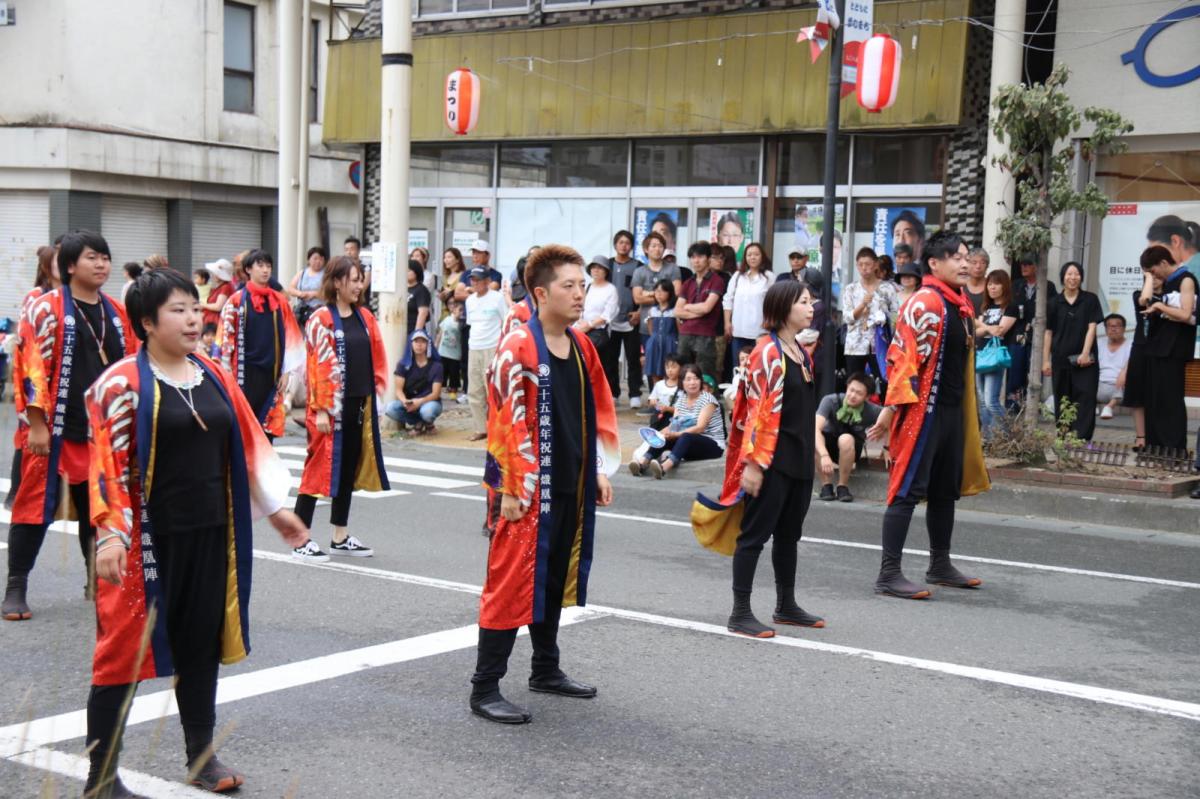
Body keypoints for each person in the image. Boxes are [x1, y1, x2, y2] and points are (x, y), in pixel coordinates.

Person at [82, 268, 308, 797]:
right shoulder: (121, 384)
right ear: (145, 322)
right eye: (177, 310)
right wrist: (111, 533)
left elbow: (248, 442)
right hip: (146, 542)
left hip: (211, 533)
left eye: (193, 307)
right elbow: (106, 466)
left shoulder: (210, 372)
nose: (192, 318)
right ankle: (101, 777)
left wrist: (276, 509)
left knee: (201, 645)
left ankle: (201, 757)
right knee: (123, 654)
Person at [470, 244, 618, 725]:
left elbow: (596, 412)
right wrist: (510, 489)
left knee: (553, 578)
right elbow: (504, 423)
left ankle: (545, 669)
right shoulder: (518, 346)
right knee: (510, 583)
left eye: (583, 286)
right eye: (569, 286)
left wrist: (596, 467)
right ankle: (484, 687)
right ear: (540, 293)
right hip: (526, 491)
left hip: (568, 485)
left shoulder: (581, 346)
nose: (580, 295)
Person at [3, 230, 138, 622]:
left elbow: (130, 366)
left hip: (101, 429)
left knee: (98, 508)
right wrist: (38, 423)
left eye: (105, 258)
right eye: (92, 258)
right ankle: (16, 587)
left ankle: (97, 582)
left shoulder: (116, 310)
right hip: (55, 427)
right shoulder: (44, 307)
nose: (101, 265)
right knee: (33, 509)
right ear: (70, 265)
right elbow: (29, 368)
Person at [692, 279, 823, 638]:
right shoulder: (768, 353)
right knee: (753, 536)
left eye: (811, 302)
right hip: (771, 461)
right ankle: (741, 612)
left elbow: (804, 411)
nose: (811, 308)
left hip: (798, 460)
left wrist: (818, 452)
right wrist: (753, 463)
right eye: (804, 302)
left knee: (788, 536)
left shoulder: (800, 351)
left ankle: (786, 605)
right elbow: (758, 414)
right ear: (782, 308)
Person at [870, 230, 990, 599]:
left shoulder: (959, 303)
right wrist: (891, 410)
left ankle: (940, 564)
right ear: (934, 263)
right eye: (957, 257)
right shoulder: (925, 301)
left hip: (952, 411)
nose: (965, 263)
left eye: (967, 256)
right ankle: (888, 573)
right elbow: (903, 358)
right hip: (923, 412)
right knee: (906, 490)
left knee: (944, 492)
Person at [292, 256, 390, 562]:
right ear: (337, 282)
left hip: (360, 404)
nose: (359, 285)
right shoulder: (321, 318)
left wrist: (380, 394)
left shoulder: (365, 317)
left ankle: (340, 535)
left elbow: (378, 356)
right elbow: (317, 366)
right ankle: (300, 538)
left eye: (361, 279)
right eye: (354, 279)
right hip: (329, 408)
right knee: (317, 469)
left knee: (347, 467)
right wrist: (321, 408)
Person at [219, 249, 304, 441]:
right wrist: (226, 375)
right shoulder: (236, 301)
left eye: (268, 266)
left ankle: (263, 468)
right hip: (244, 374)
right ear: (248, 269)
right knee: (242, 430)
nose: (265, 270)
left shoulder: (280, 301)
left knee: (266, 430)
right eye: (260, 265)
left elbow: (292, 338)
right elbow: (225, 340)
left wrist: (286, 371)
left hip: (272, 374)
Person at [1138, 245, 1197, 451]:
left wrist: (1161, 307)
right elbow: (1143, 300)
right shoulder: (1163, 282)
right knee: (1154, 401)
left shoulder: (1186, 279)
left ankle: (1174, 449)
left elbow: (1185, 314)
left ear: (1164, 263)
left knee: (1170, 401)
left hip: (1175, 349)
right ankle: (1155, 447)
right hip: (1156, 346)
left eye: (1153, 271)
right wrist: (1148, 279)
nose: (1153, 276)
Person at [1042, 261, 1104, 441]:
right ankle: (1063, 436)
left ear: (1081, 277)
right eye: (1069, 274)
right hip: (1060, 358)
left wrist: (1085, 353)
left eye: (1076, 274)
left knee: (1085, 398)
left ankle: (1081, 439)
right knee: (1062, 397)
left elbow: (1092, 327)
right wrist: (1046, 360)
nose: (1073, 278)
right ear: (1062, 277)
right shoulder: (1054, 302)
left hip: (1086, 360)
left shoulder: (1090, 299)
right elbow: (1048, 333)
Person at [629, 364, 725, 478]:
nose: (692, 383)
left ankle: (664, 467)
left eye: (696, 379)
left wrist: (675, 434)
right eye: (688, 379)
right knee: (664, 438)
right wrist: (661, 434)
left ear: (700, 381)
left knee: (685, 436)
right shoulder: (681, 400)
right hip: (690, 445)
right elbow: (674, 426)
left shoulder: (708, 399)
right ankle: (642, 462)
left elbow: (700, 428)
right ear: (682, 383)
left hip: (713, 446)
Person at [815, 372, 884, 503]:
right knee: (816, 439)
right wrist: (824, 455)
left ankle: (842, 486)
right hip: (827, 448)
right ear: (847, 387)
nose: (852, 395)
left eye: (859, 393)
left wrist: (887, 448)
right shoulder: (830, 400)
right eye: (851, 390)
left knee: (845, 438)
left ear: (867, 397)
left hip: (851, 447)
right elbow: (815, 427)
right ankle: (826, 486)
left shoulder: (872, 410)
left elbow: (891, 417)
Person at [841, 247, 899, 395]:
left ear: (874, 265)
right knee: (853, 383)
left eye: (867, 264)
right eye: (860, 264)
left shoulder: (887, 288)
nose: (864, 268)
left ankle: (883, 415)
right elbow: (847, 317)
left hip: (879, 344)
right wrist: (861, 306)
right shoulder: (851, 289)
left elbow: (896, 316)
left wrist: (883, 318)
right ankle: (852, 416)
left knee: (885, 382)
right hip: (855, 345)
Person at [465, 265, 510, 440]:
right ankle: (480, 428)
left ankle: (498, 427)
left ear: (487, 281)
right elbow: (471, 323)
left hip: (492, 347)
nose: (474, 283)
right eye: (472, 279)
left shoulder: (497, 298)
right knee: (474, 390)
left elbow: (505, 321)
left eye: (478, 279)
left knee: (493, 389)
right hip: (474, 347)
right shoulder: (470, 300)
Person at [1008, 254, 1056, 412]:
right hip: (1018, 334)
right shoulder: (1016, 285)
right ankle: (1013, 406)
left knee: (1034, 372)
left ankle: (1032, 406)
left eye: (1028, 264)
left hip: (1038, 335)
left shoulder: (1048, 286)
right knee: (1015, 371)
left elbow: (1053, 311)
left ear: (1036, 266)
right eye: (1022, 264)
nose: (1024, 267)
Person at [974, 270, 1018, 436]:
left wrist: (984, 328)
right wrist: (987, 329)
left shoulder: (1010, 307)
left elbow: (1000, 331)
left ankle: (1010, 435)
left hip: (995, 356)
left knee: (991, 400)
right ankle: (988, 438)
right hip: (981, 354)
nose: (992, 287)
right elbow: (975, 331)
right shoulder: (986, 306)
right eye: (990, 283)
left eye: (996, 283)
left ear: (1004, 285)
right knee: (982, 401)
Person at [674, 242, 725, 381]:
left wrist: (688, 306)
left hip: (706, 334)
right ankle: (684, 402)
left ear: (708, 258)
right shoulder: (688, 282)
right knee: (684, 373)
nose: (696, 260)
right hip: (685, 333)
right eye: (693, 257)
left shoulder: (717, 280)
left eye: (700, 256)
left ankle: (706, 402)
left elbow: (707, 308)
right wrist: (698, 310)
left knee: (705, 374)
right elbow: (677, 311)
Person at [609, 230, 645, 407]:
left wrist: (639, 311)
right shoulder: (607, 265)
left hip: (631, 320)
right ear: (615, 244)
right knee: (611, 358)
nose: (624, 245)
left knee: (633, 358)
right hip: (610, 321)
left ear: (632, 246)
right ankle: (613, 393)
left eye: (627, 243)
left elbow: (643, 290)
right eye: (621, 242)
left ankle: (634, 394)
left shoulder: (638, 266)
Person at [723, 242, 775, 358]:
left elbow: (774, 302)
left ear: (762, 257)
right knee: (739, 367)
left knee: (758, 366)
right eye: (749, 255)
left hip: (760, 331)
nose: (752, 257)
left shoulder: (769, 277)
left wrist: (770, 321)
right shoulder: (737, 276)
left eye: (756, 254)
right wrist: (727, 323)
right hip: (738, 330)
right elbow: (728, 300)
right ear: (745, 258)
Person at [386, 330, 444, 434]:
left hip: (429, 402)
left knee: (427, 412)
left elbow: (436, 394)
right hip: (410, 402)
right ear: (410, 344)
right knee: (390, 408)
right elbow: (398, 390)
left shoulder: (437, 366)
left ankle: (427, 421)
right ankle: (419, 423)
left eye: (423, 341)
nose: (419, 345)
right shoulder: (403, 364)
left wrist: (420, 402)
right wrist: (405, 401)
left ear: (428, 344)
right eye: (416, 341)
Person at [576, 256, 619, 393]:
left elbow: (607, 315)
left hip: (598, 333)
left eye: (600, 268)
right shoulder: (587, 287)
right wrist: (580, 323)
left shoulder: (611, 289)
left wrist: (589, 325)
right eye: (594, 267)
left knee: (601, 367)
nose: (596, 270)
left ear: (606, 271)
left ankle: (605, 395)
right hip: (583, 331)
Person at [632, 231, 683, 342]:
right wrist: (663, 296)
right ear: (646, 249)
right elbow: (637, 299)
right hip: (646, 326)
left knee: (669, 358)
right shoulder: (639, 272)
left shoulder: (673, 269)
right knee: (648, 358)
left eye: (660, 246)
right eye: (653, 246)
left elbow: (676, 294)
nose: (657, 249)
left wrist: (648, 293)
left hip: (670, 325)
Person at [644, 279, 679, 389]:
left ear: (670, 293)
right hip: (654, 343)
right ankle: (656, 397)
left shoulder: (674, 310)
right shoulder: (652, 310)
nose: (659, 294)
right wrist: (653, 340)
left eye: (663, 291)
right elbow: (650, 328)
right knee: (654, 370)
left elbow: (679, 329)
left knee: (669, 371)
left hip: (670, 343)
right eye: (657, 291)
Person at [1096, 314, 1131, 420]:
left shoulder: (1132, 345)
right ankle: (1091, 404)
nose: (1113, 329)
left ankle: (1109, 406)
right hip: (1100, 386)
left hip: (1121, 388)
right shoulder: (1099, 344)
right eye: (1110, 326)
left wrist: (1124, 373)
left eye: (1117, 326)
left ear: (1124, 329)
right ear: (1106, 330)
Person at [288, 246, 327, 329]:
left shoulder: (326, 274)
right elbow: (291, 289)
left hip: (320, 310)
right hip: (303, 310)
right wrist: (301, 294)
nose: (318, 261)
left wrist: (313, 294)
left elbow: (329, 293)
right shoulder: (302, 273)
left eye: (321, 259)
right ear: (309, 260)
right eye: (315, 259)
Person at [646, 353, 683, 430]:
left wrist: (667, 409)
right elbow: (651, 401)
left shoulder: (683, 386)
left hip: (674, 421)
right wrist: (653, 402)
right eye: (667, 367)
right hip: (658, 419)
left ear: (681, 368)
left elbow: (683, 410)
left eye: (673, 367)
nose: (670, 370)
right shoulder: (659, 384)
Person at [436, 298, 464, 399]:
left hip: (455, 353)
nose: (459, 312)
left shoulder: (461, 324)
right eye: (458, 309)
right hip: (443, 351)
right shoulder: (447, 320)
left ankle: (453, 390)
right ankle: (438, 390)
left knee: (454, 373)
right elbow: (440, 332)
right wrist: (436, 344)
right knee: (442, 372)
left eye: (461, 310)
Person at [200, 258, 234, 329]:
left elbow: (218, 306)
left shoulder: (225, 287)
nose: (213, 275)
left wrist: (203, 305)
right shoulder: (221, 287)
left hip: (216, 322)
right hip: (211, 320)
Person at [406, 259, 432, 337]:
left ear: (416, 272)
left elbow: (423, 313)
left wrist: (416, 334)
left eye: (409, 270)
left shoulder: (421, 290)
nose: (406, 273)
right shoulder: (402, 288)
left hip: (412, 331)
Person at [965, 248, 990, 315]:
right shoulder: (960, 286)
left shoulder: (992, 286)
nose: (978, 266)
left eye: (982, 263)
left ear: (987, 266)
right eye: (974, 262)